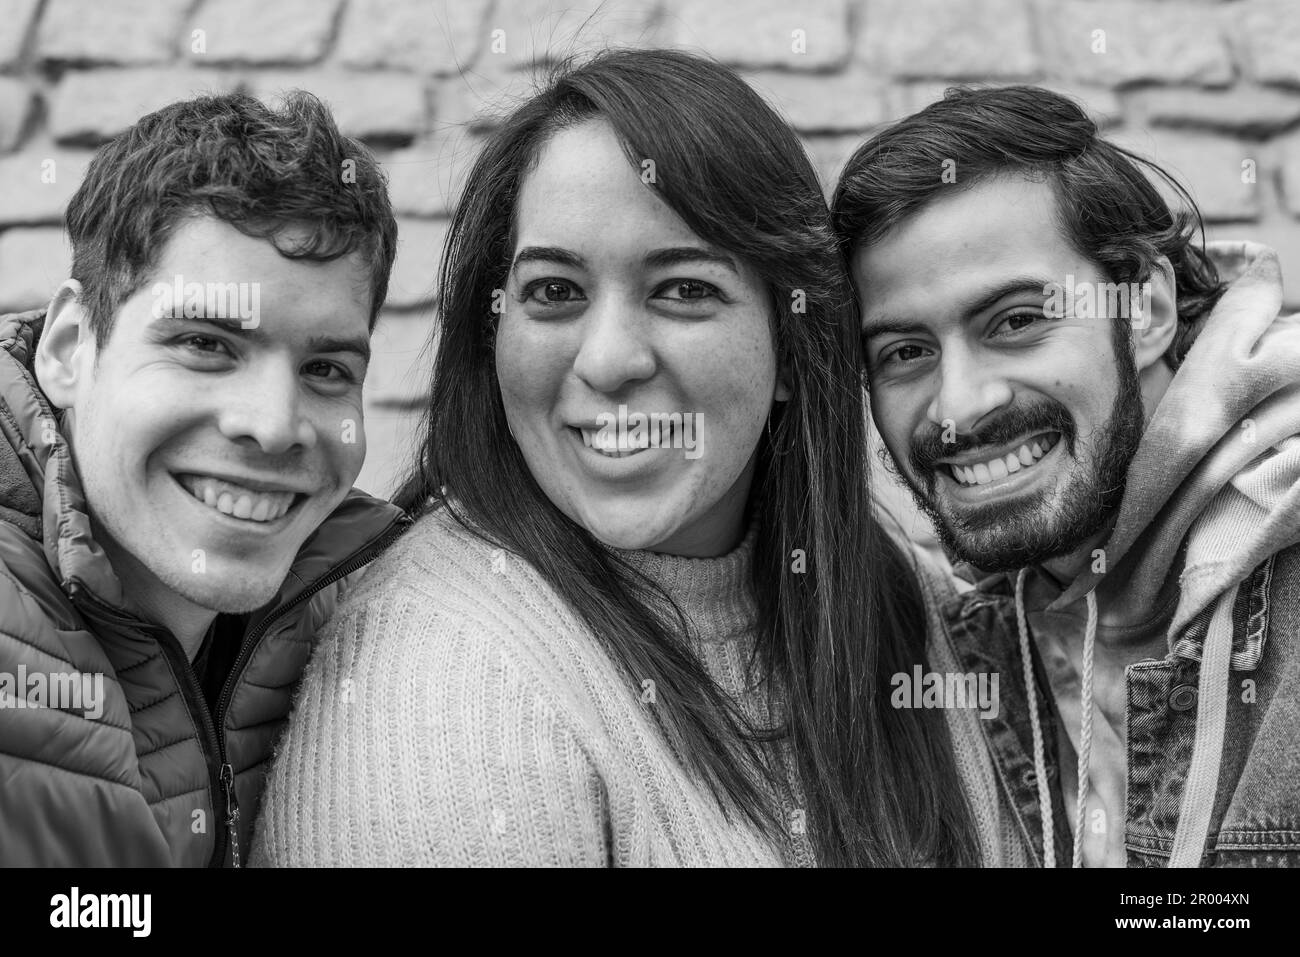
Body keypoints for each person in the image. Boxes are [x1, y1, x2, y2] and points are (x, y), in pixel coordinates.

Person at [252, 49, 1017, 867]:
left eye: (684, 289)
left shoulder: (889, 587)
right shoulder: (446, 689)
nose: (610, 360)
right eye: (555, 291)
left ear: (794, 349)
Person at [833, 85, 1300, 867]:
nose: (959, 406)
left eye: (1016, 321)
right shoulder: (971, 646)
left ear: (1144, 308)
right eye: (905, 351)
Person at [0, 91, 405, 866]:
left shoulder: (370, 610)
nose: (275, 423)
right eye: (206, 344)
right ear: (68, 346)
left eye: (325, 368)